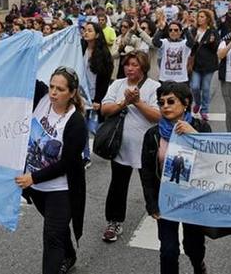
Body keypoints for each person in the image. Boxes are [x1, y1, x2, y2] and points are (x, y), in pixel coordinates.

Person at [15, 67, 87, 274]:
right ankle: (69, 255)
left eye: (60, 89)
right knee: (57, 228)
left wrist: (33, 177)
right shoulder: (42, 97)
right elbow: (24, 71)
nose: (53, 92)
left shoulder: (76, 123)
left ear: (72, 93)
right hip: (37, 188)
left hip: (60, 189)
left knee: (52, 237)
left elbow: (68, 163)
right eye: (52, 87)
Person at [140, 82, 210, 274]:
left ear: (185, 103)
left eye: (171, 101)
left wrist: (193, 134)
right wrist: (152, 204)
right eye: (161, 103)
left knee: (193, 246)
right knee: (168, 250)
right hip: (166, 200)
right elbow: (146, 172)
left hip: (192, 198)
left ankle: (198, 265)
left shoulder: (200, 127)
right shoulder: (152, 135)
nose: (165, 106)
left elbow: (213, 159)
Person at [100, 52, 160, 242]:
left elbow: (158, 116)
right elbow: (105, 109)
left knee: (152, 184)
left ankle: (159, 215)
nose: (130, 68)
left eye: (134, 65)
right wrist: (124, 102)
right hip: (121, 146)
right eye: (127, 65)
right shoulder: (117, 84)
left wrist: (138, 102)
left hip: (147, 147)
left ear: (143, 67)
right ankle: (114, 222)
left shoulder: (154, 87)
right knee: (118, 185)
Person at [81, 22, 113, 166]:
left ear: (97, 35)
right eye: (84, 30)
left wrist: (98, 99)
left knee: (95, 127)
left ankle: (111, 144)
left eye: (89, 30)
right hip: (80, 95)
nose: (86, 33)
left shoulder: (104, 54)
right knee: (81, 127)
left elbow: (104, 79)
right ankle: (85, 156)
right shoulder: (80, 48)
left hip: (95, 96)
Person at [189, 9, 219, 121]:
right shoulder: (193, 30)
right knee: (195, 87)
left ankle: (205, 110)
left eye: (202, 16)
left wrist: (212, 42)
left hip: (209, 64)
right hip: (196, 63)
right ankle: (197, 103)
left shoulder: (212, 31)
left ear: (207, 18)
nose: (200, 19)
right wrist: (194, 40)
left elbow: (216, 47)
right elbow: (190, 46)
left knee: (206, 88)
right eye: (199, 16)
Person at [152, 18, 195, 84]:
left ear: (180, 32)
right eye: (170, 30)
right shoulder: (164, 42)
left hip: (181, 79)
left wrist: (186, 29)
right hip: (165, 79)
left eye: (176, 30)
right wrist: (161, 29)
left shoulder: (184, 43)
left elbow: (191, 42)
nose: (173, 32)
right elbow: (155, 42)